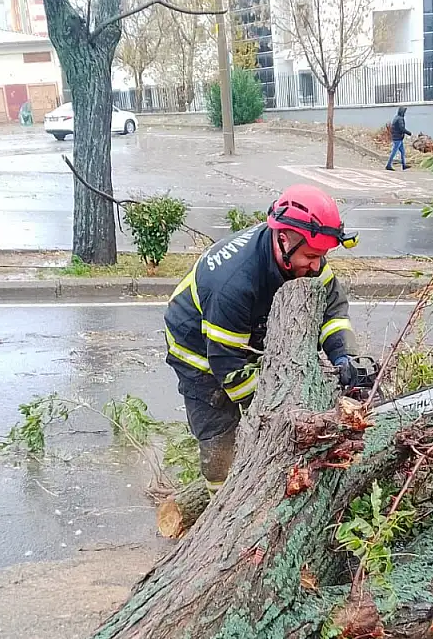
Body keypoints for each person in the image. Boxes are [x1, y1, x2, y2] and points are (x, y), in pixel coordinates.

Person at [164, 184, 378, 491]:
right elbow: (229, 367)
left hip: (247, 331)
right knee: (220, 438)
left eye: (322, 256)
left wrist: (345, 357)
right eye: (311, 256)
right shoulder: (234, 282)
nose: (317, 265)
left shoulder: (303, 252)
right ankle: (221, 506)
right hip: (199, 349)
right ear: (283, 239)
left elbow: (331, 311)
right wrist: (276, 412)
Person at [385, 106, 411, 171]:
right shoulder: (400, 119)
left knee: (402, 152)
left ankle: (404, 165)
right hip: (398, 138)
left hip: (397, 137)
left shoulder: (396, 117)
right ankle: (388, 165)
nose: (405, 113)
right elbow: (402, 128)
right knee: (394, 152)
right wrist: (409, 133)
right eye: (404, 112)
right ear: (402, 112)